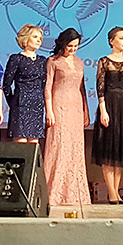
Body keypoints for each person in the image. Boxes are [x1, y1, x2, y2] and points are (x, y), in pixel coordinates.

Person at [43, 28, 91, 206]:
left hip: (76, 107)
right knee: (59, 145)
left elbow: (82, 88)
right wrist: (49, 110)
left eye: (76, 46)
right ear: (63, 44)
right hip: (59, 105)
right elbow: (48, 87)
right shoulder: (53, 61)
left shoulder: (79, 62)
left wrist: (86, 110)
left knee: (74, 147)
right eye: (70, 46)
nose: (73, 49)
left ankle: (74, 193)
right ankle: (54, 192)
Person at [92, 27, 123, 204]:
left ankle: (116, 192)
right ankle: (111, 192)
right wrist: (103, 110)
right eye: (121, 38)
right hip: (109, 105)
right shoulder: (104, 62)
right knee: (108, 150)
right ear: (111, 41)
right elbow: (100, 88)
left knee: (119, 151)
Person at [2, 24, 48, 143]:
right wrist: (13, 102)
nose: (38, 40)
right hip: (20, 104)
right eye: (35, 37)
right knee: (20, 143)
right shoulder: (16, 58)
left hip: (37, 105)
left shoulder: (42, 60)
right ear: (26, 38)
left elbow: (43, 84)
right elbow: (6, 85)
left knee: (34, 143)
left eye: (40, 38)